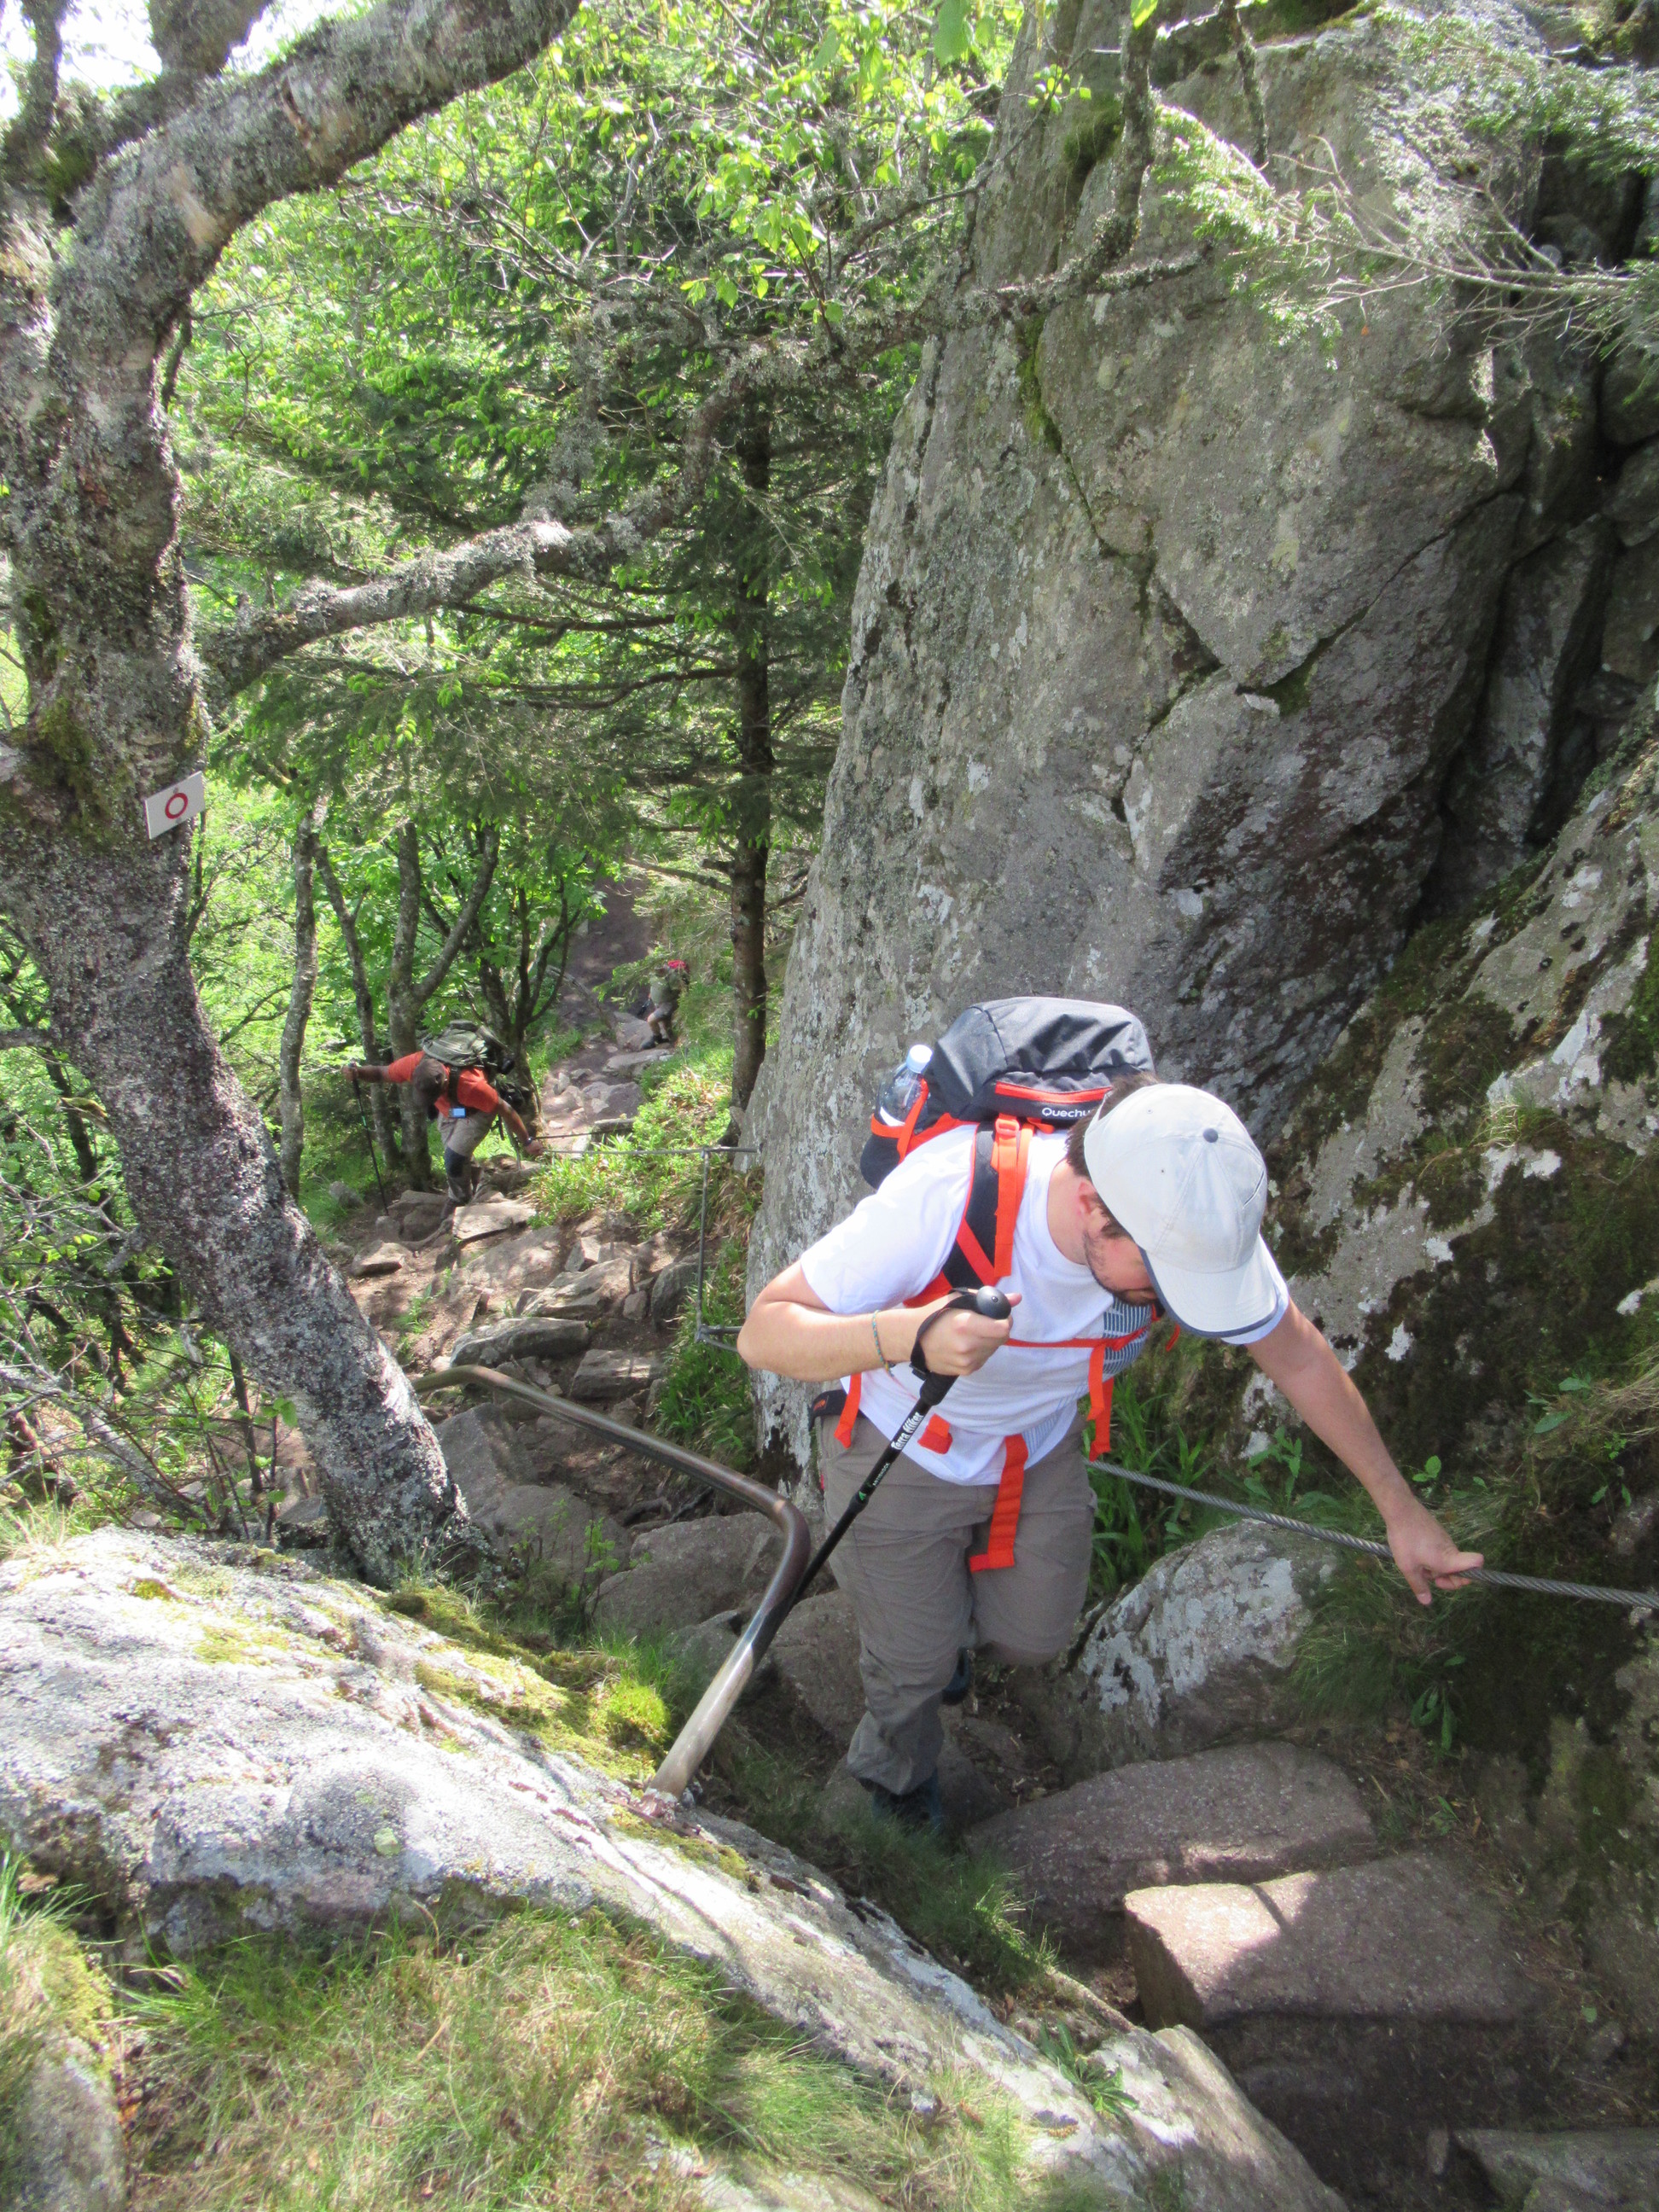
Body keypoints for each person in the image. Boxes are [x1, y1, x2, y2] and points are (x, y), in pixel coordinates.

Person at [736, 1073, 1481, 1827]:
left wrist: (1400, 1511)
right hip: (905, 1442)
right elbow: (764, 1331)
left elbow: (1298, 1357)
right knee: (914, 1665)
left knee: (1034, 1637)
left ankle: (941, 1628)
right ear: (1092, 1205)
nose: (1170, 1301)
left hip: (1038, 1447)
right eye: (1157, 1280)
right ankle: (894, 1778)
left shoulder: (1190, 1221)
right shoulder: (947, 1192)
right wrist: (911, 1334)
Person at [346, 1051, 539, 1205]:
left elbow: (506, 1110)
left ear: (444, 1082)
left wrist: (527, 1141)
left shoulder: (472, 1087)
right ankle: (478, 1184)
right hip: (450, 1111)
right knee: (458, 1156)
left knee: (453, 1159)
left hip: (478, 1112)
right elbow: (382, 1072)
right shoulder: (415, 1064)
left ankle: (459, 1200)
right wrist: (358, 1072)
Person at [646, 958, 689, 1047]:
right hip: (658, 1004)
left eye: (661, 969)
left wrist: (684, 1004)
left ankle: (657, 1037)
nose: (659, 970)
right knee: (666, 1025)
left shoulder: (672, 976)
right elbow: (654, 984)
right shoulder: (653, 974)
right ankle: (672, 1043)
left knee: (651, 1020)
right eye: (657, 969)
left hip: (668, 1004)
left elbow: (681, 990)